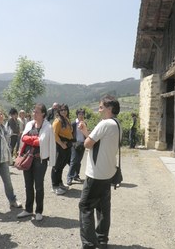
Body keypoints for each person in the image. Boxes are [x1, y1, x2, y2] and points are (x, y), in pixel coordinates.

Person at [78, 95, 121, 249]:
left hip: (95, 174)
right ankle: (102, 240)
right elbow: (97, 144)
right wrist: (86, 131)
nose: (99, 109)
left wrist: (85, 134)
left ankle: (89, 244)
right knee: (103, 207)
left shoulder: (104, 124)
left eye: (101, 106)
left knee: (85, 206)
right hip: (108, 172)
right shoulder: (116, 124)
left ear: (109, 108)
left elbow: (88, 144)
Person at [17, 103, 56, 221]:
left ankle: (39, 210)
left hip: (40, 160)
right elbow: (23, 138)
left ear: (43, 114)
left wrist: (31, 140)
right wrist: (32, 139)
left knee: (38, 186)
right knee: (28, 185)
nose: (34, 113)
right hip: (27, 158)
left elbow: (40, 142)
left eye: (37, 112)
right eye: (34, 111)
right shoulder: (29, 124)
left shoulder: (48, 126)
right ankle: (28, 209)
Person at [51, 103, 73, 195]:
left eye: (65, 110)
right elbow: (54, 134)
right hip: (60, 145)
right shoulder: (58, 121)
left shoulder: (66, 119)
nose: (63, 111)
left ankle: (59, 183)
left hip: (67, 144)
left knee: (61, 165)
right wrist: (61, 143)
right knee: (56, 166)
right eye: (61, 110)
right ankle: (54, 186)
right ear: (59, 111)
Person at [67, 108, 86, 186]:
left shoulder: (84, 123)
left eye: (82, 114)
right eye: (80, 114)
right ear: (77, 115)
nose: (81, 116)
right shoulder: (73, 124)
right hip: (75, 144)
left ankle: (76, 176)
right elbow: (70, 134)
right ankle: (69, 178)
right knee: (73, 161)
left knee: (78, 161)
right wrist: (71, 143)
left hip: (83, 144)